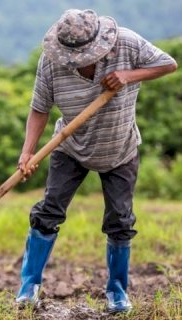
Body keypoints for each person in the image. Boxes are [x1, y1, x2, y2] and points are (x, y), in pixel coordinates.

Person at [16, 9, 177, 313]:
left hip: (120, 148)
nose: (77, 62)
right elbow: (39, 108)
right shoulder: (51, 61)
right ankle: (28, 288)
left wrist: (128, 76)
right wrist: (28, 152)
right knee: (48, 211)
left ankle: (117, 292)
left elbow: (168, 64)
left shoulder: (127, 44)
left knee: (120, 220)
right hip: (70, 146)